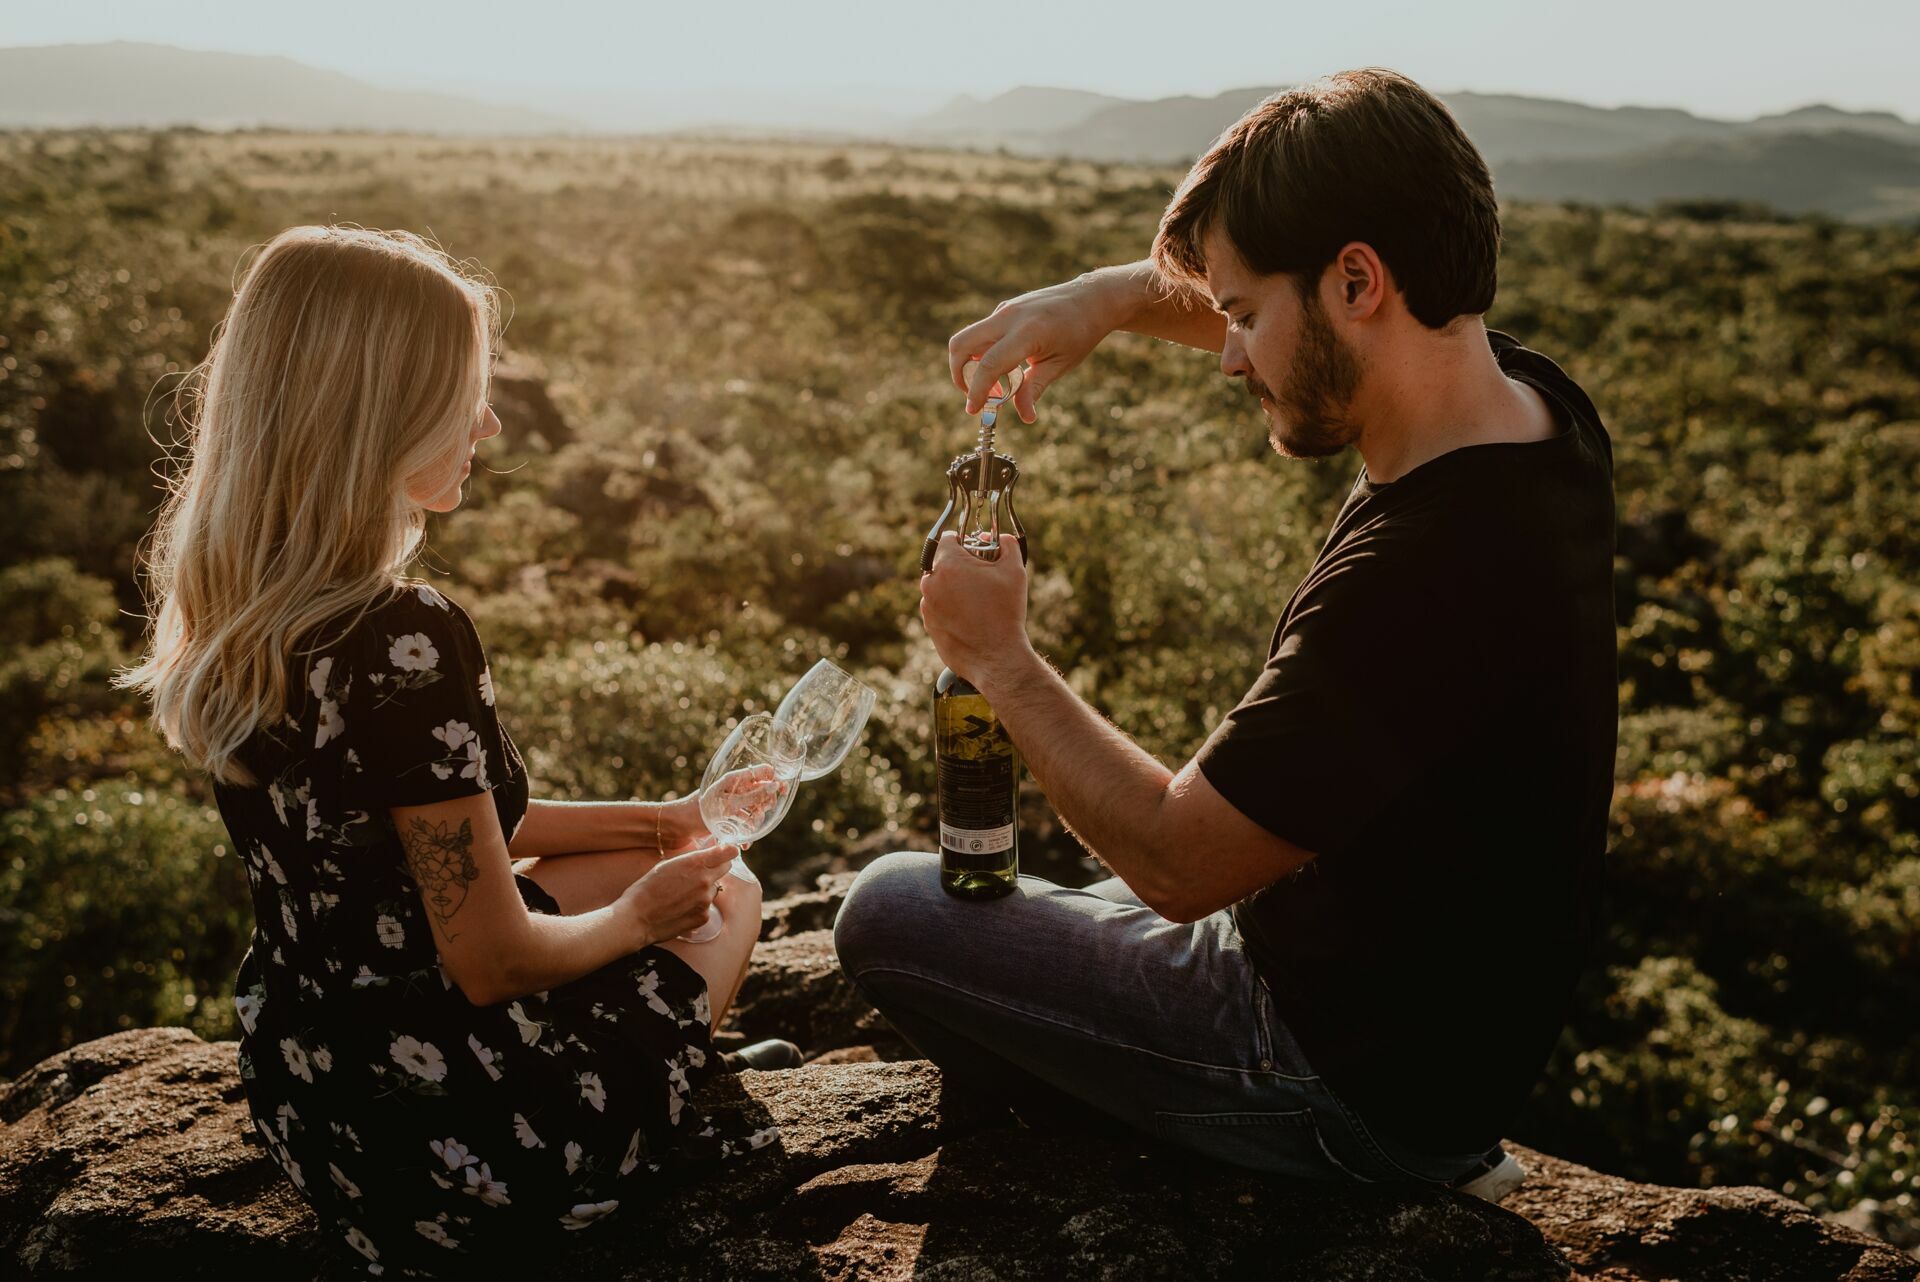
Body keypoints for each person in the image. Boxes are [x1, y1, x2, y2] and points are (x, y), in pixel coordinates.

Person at [833, 67, 1617, 1202]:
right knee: (1016, 894)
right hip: (1433, 1041)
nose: (1228, 354)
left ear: (1358, 278)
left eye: (1243, 314)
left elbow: (1178, 859)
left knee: (893, 911)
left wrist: (996, 656)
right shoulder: (1534, 414)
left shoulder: (1425, 577)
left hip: (1338, 1079)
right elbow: (1303, 319)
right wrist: (1107, 295)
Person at [116, 225, 792, 1276]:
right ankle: (658, 1098)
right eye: (461, 393)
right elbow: (493, 961)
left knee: (649, 861)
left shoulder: (244, 605)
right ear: (378, 412)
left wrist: (665, 819)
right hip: (466, 1156)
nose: (485, 422)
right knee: (733, 894)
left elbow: (451, 828)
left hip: (316, 1103)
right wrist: (642, 914)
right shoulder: (404, 634)